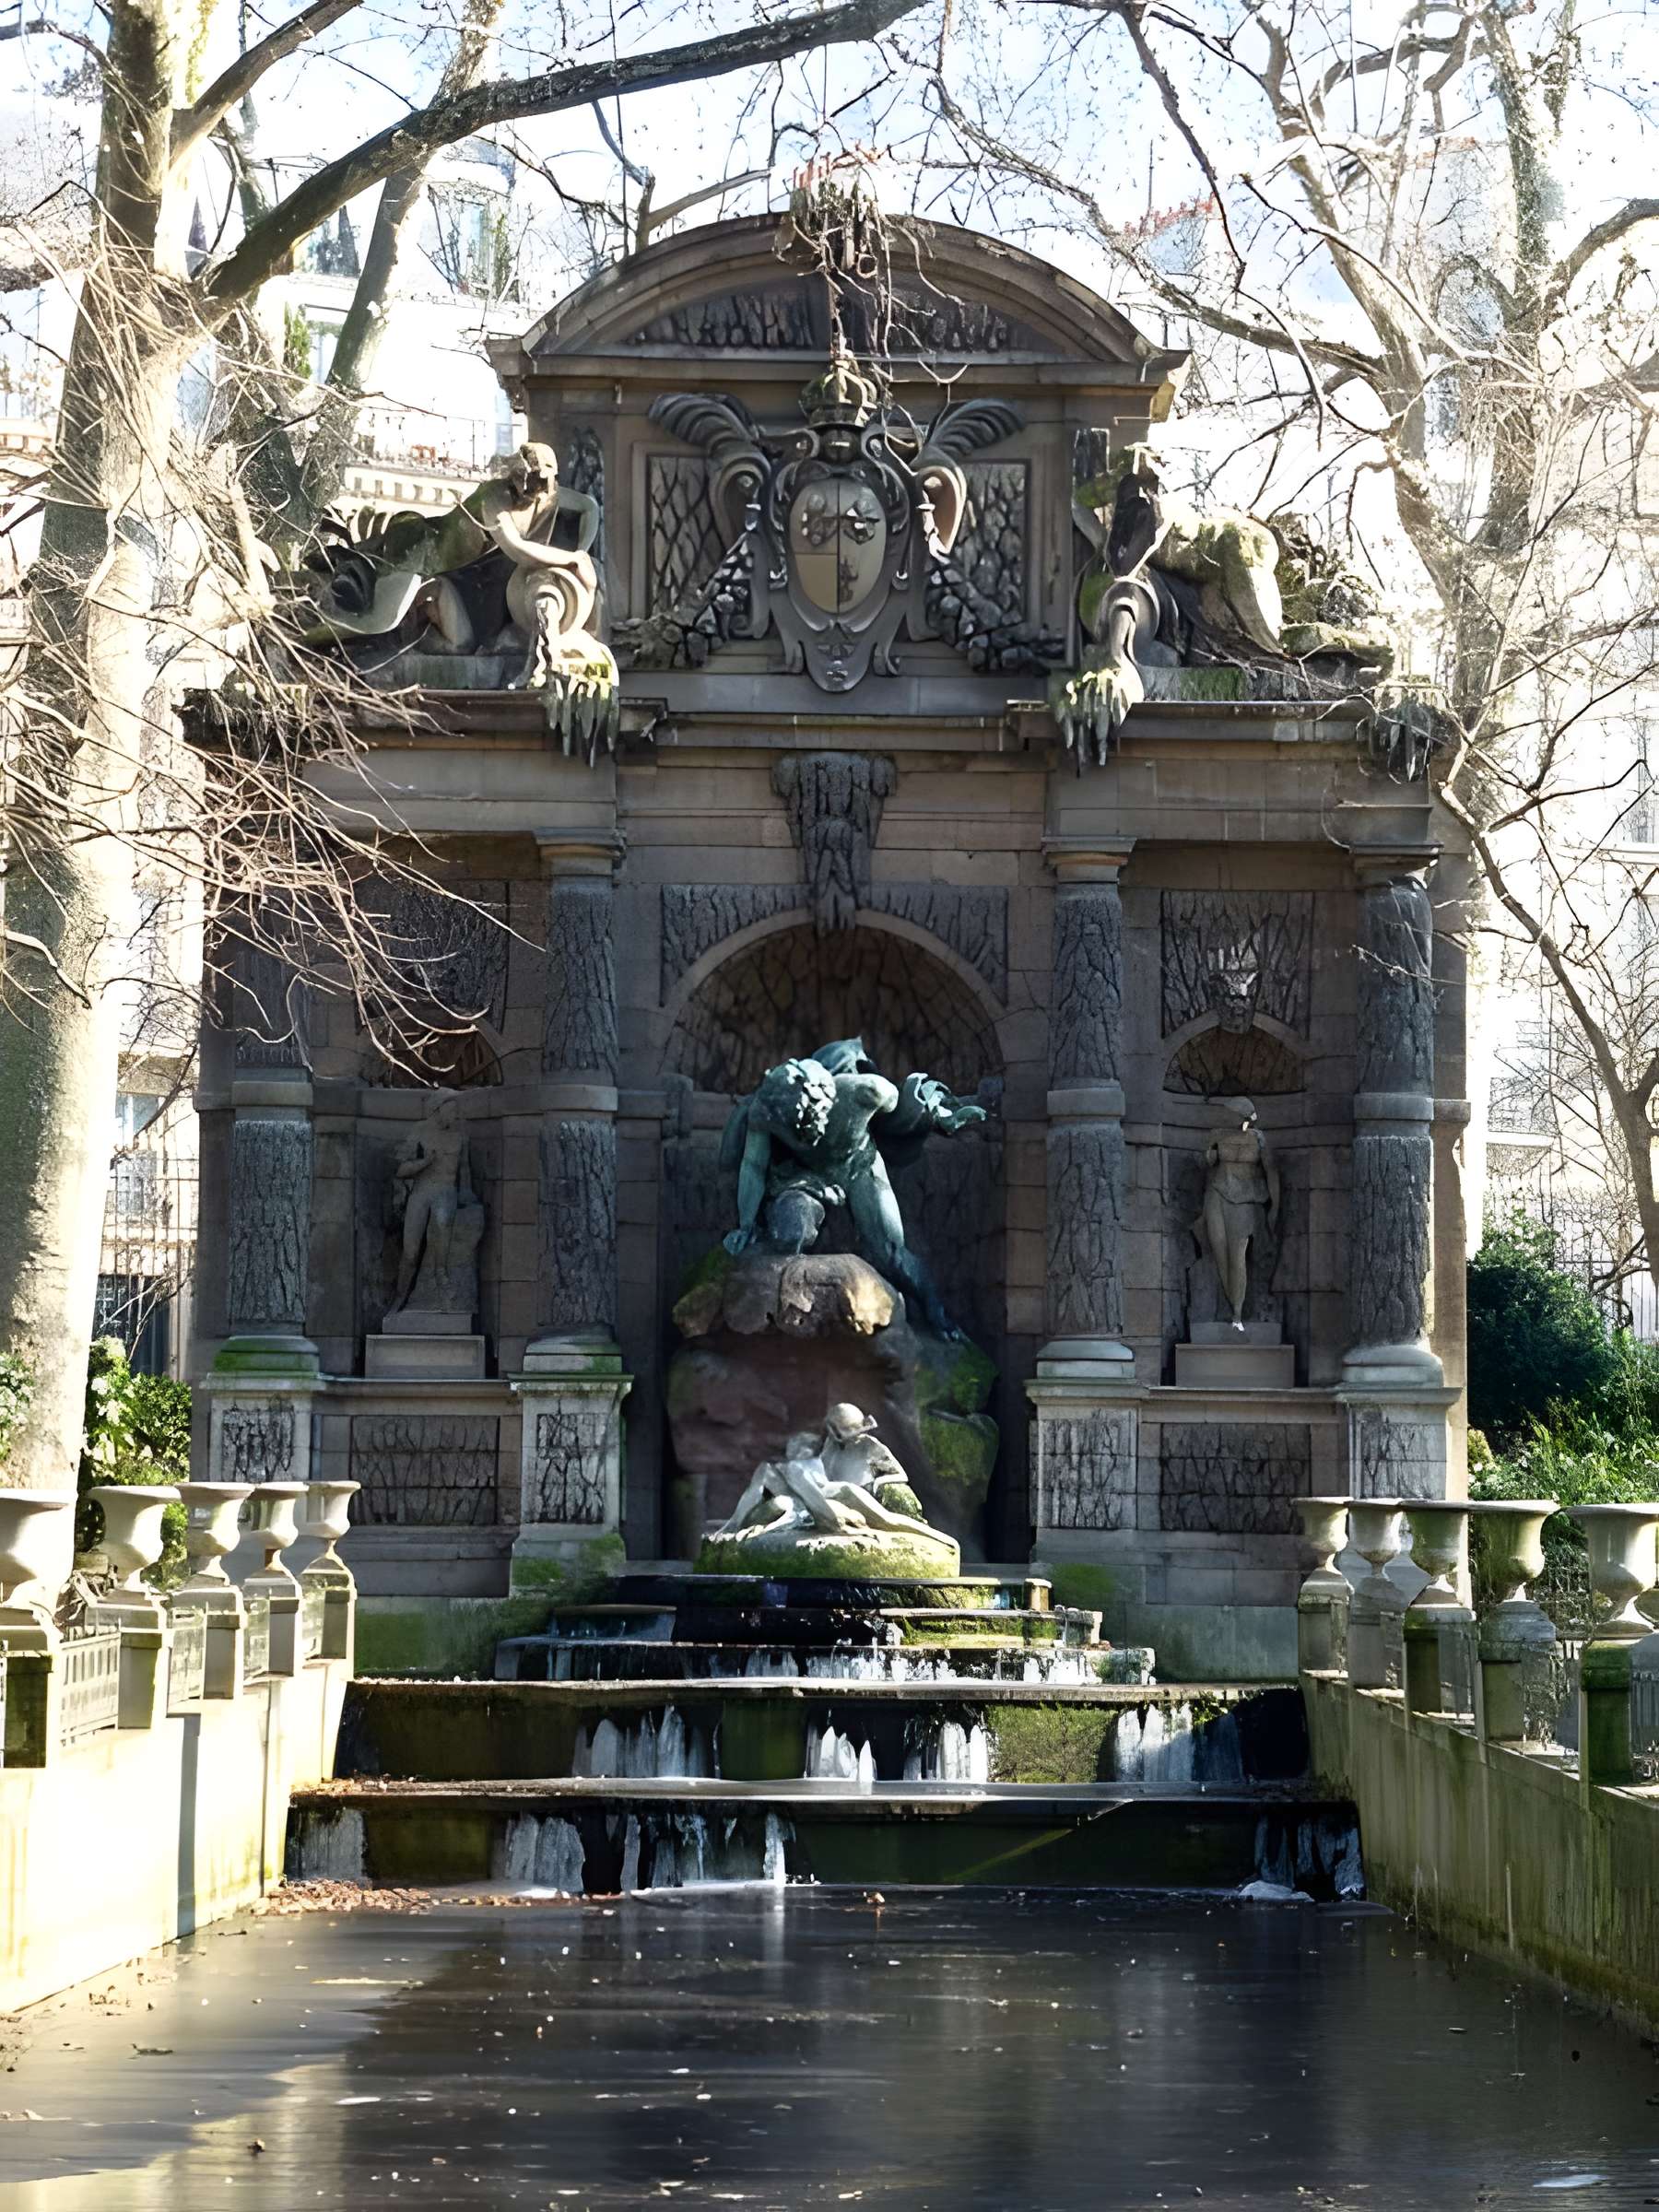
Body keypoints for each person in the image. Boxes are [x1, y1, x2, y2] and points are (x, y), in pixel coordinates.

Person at [720, 1038, 984, 1336]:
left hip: (858, 1165)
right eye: (790, 1130)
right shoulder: (766, 1110)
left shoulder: (867, 1092)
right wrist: (746, 1223)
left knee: (891, 1254)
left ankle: (937, 1313)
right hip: (800, 1175)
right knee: (788, 1234)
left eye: (804, 1125)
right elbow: (753, 1164)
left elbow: (904, 1111)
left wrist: (935, 1112)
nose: (798, 1134)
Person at [1196, 1096, 1278, 1328]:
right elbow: (1203, 1165)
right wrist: (1209, 1154)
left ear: (1242, 1116)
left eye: (1230, 1112)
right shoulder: (1216, 1135)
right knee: (1219, 1253)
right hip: (1217, 1194)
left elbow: (1272, 1171)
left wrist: (1275, 1206)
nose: (1225, 1116)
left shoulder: (1259, 1139)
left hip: (1246, 1200)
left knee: (1238, 1256)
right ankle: (1231, 1304)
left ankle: (1237, 1313)